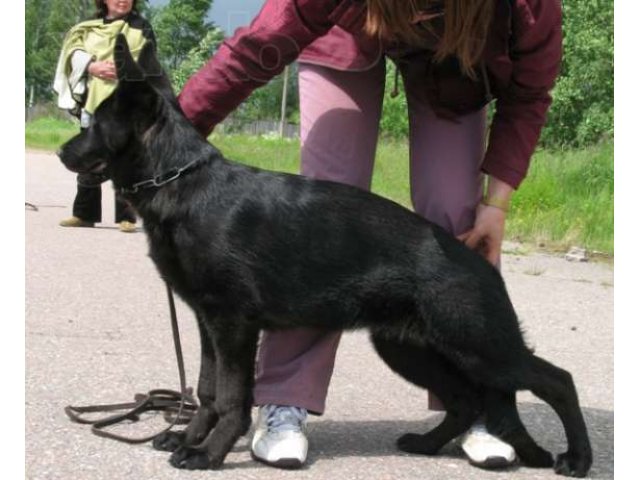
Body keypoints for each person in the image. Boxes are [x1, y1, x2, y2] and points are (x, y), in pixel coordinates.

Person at [177, 0, 562, 470]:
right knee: (318, 221)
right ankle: (284, 400)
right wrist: (173, 129)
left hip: (455, 62)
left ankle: (485, 406)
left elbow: (530, 91)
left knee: (456, 214)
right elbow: (255, 46)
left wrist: (496, 204)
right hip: (344, 36)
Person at [54, 0, 156, 233]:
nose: (123, 0)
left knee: (127, 159)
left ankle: (127, 216)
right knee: (88, 156)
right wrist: (91, 66)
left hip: (124, 104)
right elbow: (73, 52)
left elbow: (149, 59)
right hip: (93, 101)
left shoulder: (142, 26)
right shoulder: (87, 26)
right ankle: (84, 214)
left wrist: (125, 68)